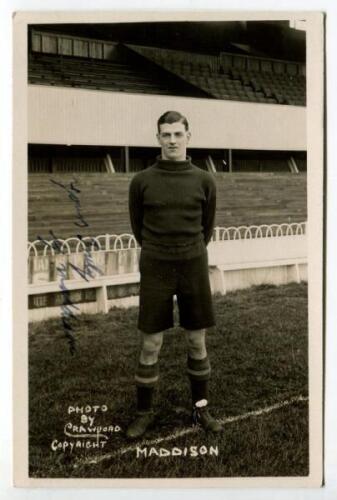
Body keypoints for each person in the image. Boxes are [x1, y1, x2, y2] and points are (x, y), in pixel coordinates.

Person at [127, 110, 221, 439]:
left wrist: (188, 250)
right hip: (155, 264)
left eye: (178, 134)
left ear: (188, 137)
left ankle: (201, 408)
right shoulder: (141, 181)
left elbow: (205, 227)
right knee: (151, 342)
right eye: (166, 135)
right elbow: (138, 227)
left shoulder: (204, 180)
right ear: (157, 139)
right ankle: (143, 414)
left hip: (193, 263)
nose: (172, 141)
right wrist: (160, 250)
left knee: (197, 340)